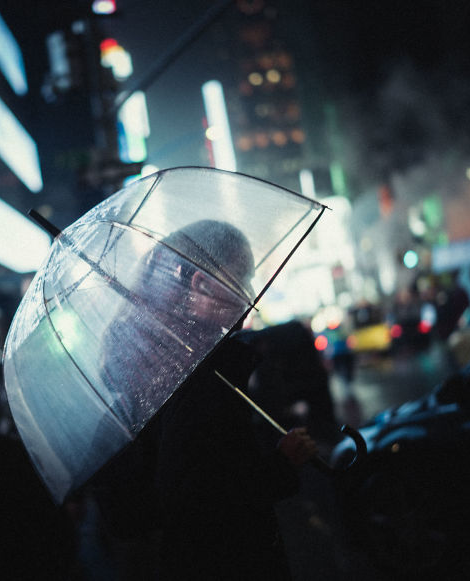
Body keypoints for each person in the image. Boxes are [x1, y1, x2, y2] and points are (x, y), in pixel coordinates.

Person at [95, 220, 319, 580]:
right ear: (202, 285)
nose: (248, 291)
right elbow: (199, 501)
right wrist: (279, 465)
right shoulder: (192, 379)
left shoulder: (158, 368)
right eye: (240, 278)